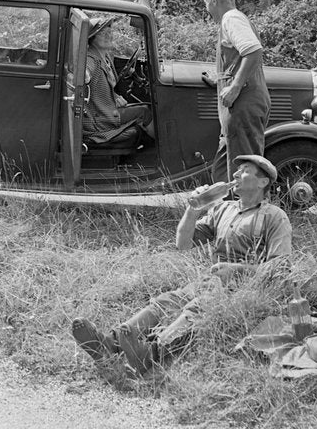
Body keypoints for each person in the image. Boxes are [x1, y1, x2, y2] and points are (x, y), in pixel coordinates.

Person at [71, 154, 292, 375]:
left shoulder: (274, 216)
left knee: (198, 307)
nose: (234, 174)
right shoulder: (224, 209)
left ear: (263, 182)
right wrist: (193, 208)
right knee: (167, 300)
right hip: (211, 281)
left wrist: (236, 271)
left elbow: (280, 267)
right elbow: (183, 243)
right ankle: (111, 343)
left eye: (244, 170)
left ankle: (151, 354)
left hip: (243, 290)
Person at [199, 0, 271, 185]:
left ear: (213, 0)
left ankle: (251, 212)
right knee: (224, 168)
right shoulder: (234, 18)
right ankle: (226, 210)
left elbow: (253, 51)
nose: (206, 8)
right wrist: (221, 78)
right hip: (239, 104)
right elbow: (239, 59)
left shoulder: (231, 18)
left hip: (243, 103)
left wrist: (235, 86)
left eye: (206, 3)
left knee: (245, 169)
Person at [81, 17, 152, 146]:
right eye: (102, 33)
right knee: (146, 111)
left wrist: (115, 95)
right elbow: (84, 72)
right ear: (92, 38)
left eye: (109, 31)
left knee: (144, 107)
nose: (108, 35)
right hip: (99, 118)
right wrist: (83, 75)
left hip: (107, 107)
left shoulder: (106, 56)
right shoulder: (91, 59)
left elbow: (105, 84)